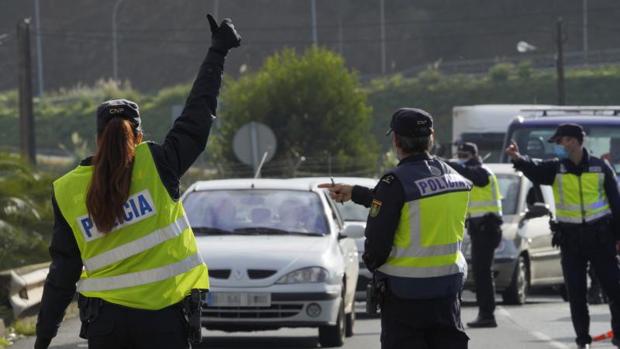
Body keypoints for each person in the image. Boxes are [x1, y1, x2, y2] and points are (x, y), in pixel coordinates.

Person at [34, 14, 241, 349]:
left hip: (107, 326)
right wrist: (218, 52)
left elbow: (62, 273)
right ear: (139, 135)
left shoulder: (68, 189)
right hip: (166, 321)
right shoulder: (159, 163)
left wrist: (44, 336)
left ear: (98, 138)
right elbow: (197, 116)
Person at [320, 108, 471, 349]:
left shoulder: (395, 181)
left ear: (396, 140)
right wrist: (356, 193)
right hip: (447, 292)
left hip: (405, 297)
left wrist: (373, 266)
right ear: (431, 137)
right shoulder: (454, 178)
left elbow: (378, 241)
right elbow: (414, 203)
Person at [505, 123, 620, 349]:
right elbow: (534, 168)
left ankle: (619, 335)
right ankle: (582, 341)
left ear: (574, 141)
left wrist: (618, 238)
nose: (558, 146)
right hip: (571, 240)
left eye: (561, 141)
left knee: (615, 291)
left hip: (600, 238)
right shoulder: (556, 169)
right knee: (576, 295)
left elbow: (616, 203)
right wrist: (517, 158)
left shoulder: (600, 167)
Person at [446, 142, 503, 328]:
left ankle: (487, 314)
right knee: (481, 273)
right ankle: (486, 314)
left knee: (483, 273)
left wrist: (448, 163)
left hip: (487, 228)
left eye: (464, 154)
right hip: (481, 229)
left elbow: (473, 176)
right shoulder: (474, 171)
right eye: (459, 154)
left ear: (473, 155)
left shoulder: (482, 172)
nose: (461, 157)